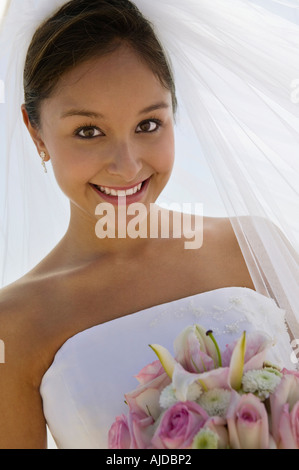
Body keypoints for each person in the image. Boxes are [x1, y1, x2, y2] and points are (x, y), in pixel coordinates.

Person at [0, 0, 298, 449]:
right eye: (88, 131)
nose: (127, 164)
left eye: (148, 124)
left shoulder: (250, 244)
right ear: (36, 132)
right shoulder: (15, 323)